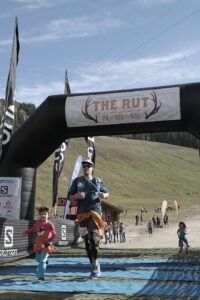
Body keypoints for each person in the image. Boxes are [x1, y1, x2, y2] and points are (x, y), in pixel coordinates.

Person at [67, 159, 109, 278]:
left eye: (88, 166)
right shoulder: (77, 181)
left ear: (92, 168)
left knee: (93, 238)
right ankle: (94, 264)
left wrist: (103, 195)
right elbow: (69, 197)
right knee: (86, 242)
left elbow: (107, 193)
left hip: (95, 214)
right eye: (84, 166)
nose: (86, 168)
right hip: (81, 216)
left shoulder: (98, 181)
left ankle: (95, 265)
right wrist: (76, 196)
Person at [23, 206, 56, 280]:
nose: (43, 216)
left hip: (46, 244)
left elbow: (54, 234)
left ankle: (40, 276)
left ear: (48, 215)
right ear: (40, 215)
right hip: (38, 243)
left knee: (42, 261)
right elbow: (33, 229)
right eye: (42, 214)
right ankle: (46, 259)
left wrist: (49, 240)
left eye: (45, 214)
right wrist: (26, 232)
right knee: (38, 259)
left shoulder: (50, 224)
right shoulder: (38, 223)